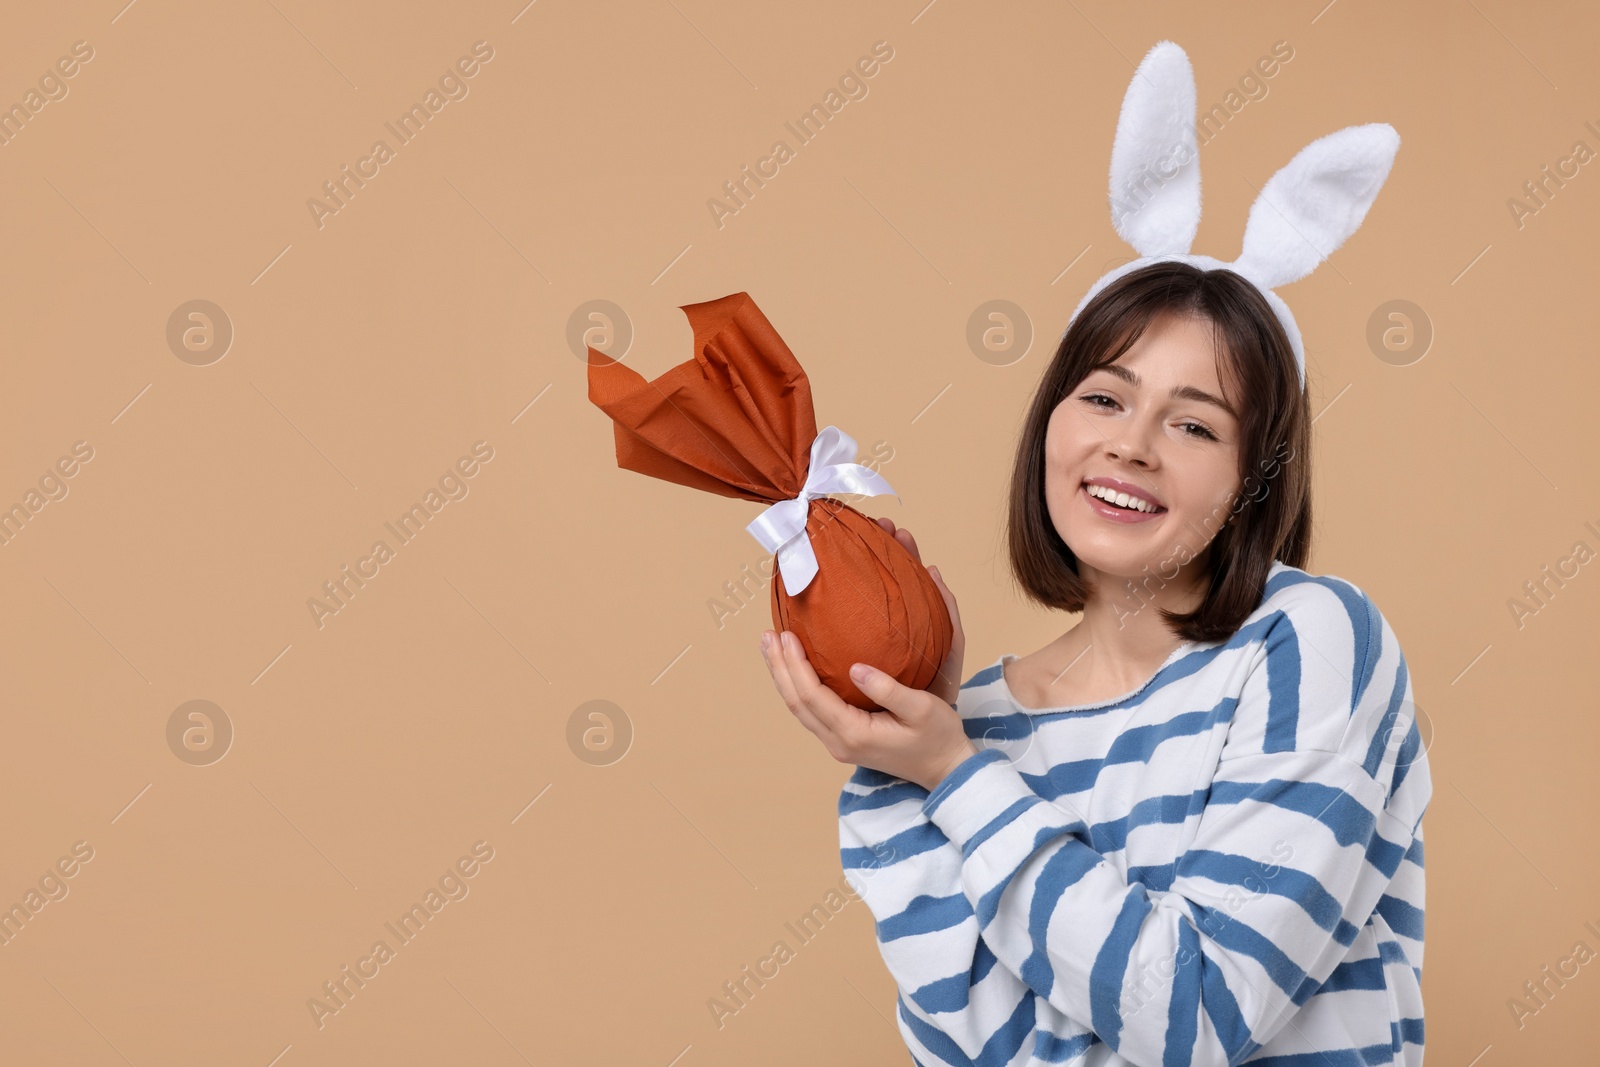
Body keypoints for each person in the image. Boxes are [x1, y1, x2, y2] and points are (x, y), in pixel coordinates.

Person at [759, 261, 1430, 1066]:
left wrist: (960, 781)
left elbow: (1200, 1017)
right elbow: (998, 1054)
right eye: (1105, 399)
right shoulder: (947, 744)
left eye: (1195, 426)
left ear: (1255, 482)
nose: (1130, 445)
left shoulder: (1310, 641)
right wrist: (924, 762)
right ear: (1050, 422)